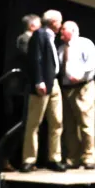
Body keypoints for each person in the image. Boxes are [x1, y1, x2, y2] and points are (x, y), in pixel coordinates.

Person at [21, 10, 67, 172]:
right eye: (59, 21)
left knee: (57, 122)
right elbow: (36, 59)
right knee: (34, 123)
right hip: (43, 84)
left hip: (54, 83)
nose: (61, 25)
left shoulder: (50, 37)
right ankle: (28, 159)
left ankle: (55, 158)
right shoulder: (39, 34)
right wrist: (39, 80)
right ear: (53, 21)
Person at [58, 21, 95, 169]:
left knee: (86, 123)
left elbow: (94, 61)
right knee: (69, 125)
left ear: (73, 30)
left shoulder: (85, 43)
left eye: (63, 29)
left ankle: (89, 157)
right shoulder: (61, 49)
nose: (60, 31)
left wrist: (80, 74)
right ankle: (73, 158)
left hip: (84, 87)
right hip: (66, 89)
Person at [2, 14, 41, 171]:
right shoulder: (25, 39)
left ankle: (20, 160)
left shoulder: (32, 40)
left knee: (25, 126)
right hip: (19, 90)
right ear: (32, 26)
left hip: (25, 89)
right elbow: (30, 58)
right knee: (17, 124)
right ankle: (5, 159)